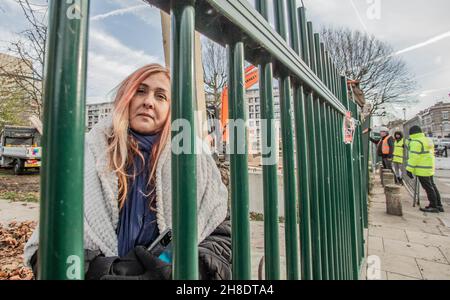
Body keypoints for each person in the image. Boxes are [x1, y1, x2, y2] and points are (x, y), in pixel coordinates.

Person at [24, 64, 231, 280]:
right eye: (140, 91)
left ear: (171, 109)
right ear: (126, 97)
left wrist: (193, 268)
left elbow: (221, 231)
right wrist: (103, 272)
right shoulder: (83, 155)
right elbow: (48, 245)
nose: (148, 101)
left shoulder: (193, 157)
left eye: (161, 96)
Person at [406, 125, 444, 213]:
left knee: (428, 187)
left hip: (422, 168)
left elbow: (414, 157)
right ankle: (439, 205)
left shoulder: (416, 142)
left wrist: (409, 169)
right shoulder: (426, 140)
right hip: (429, 167)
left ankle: (433, 206)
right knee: (432, 186)